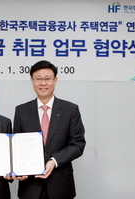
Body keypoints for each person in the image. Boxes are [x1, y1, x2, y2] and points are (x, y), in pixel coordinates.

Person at [13, 60, 86, 199]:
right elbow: (16, 145)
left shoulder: (70, 110)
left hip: (60, 184)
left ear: (55, 80)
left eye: (47, 79)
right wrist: (18, 169)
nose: (43, 83)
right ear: (32, 80)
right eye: (38, 79)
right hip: (30, 186)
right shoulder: (21, 111)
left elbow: (78, 144)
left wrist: (54, 161)